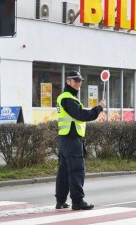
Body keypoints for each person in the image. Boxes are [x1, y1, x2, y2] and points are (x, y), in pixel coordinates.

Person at [55, 70, 106, 210]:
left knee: (64, 172)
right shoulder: (68, 98)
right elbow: (82, 115)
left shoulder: (67, 97)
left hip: (66, 138)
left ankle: (60, 201)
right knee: (77, 170)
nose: (79, 83)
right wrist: (99, 108)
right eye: (76, 80)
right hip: (72, 139)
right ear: (68, 81)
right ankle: (77, 202)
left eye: (80, 80)